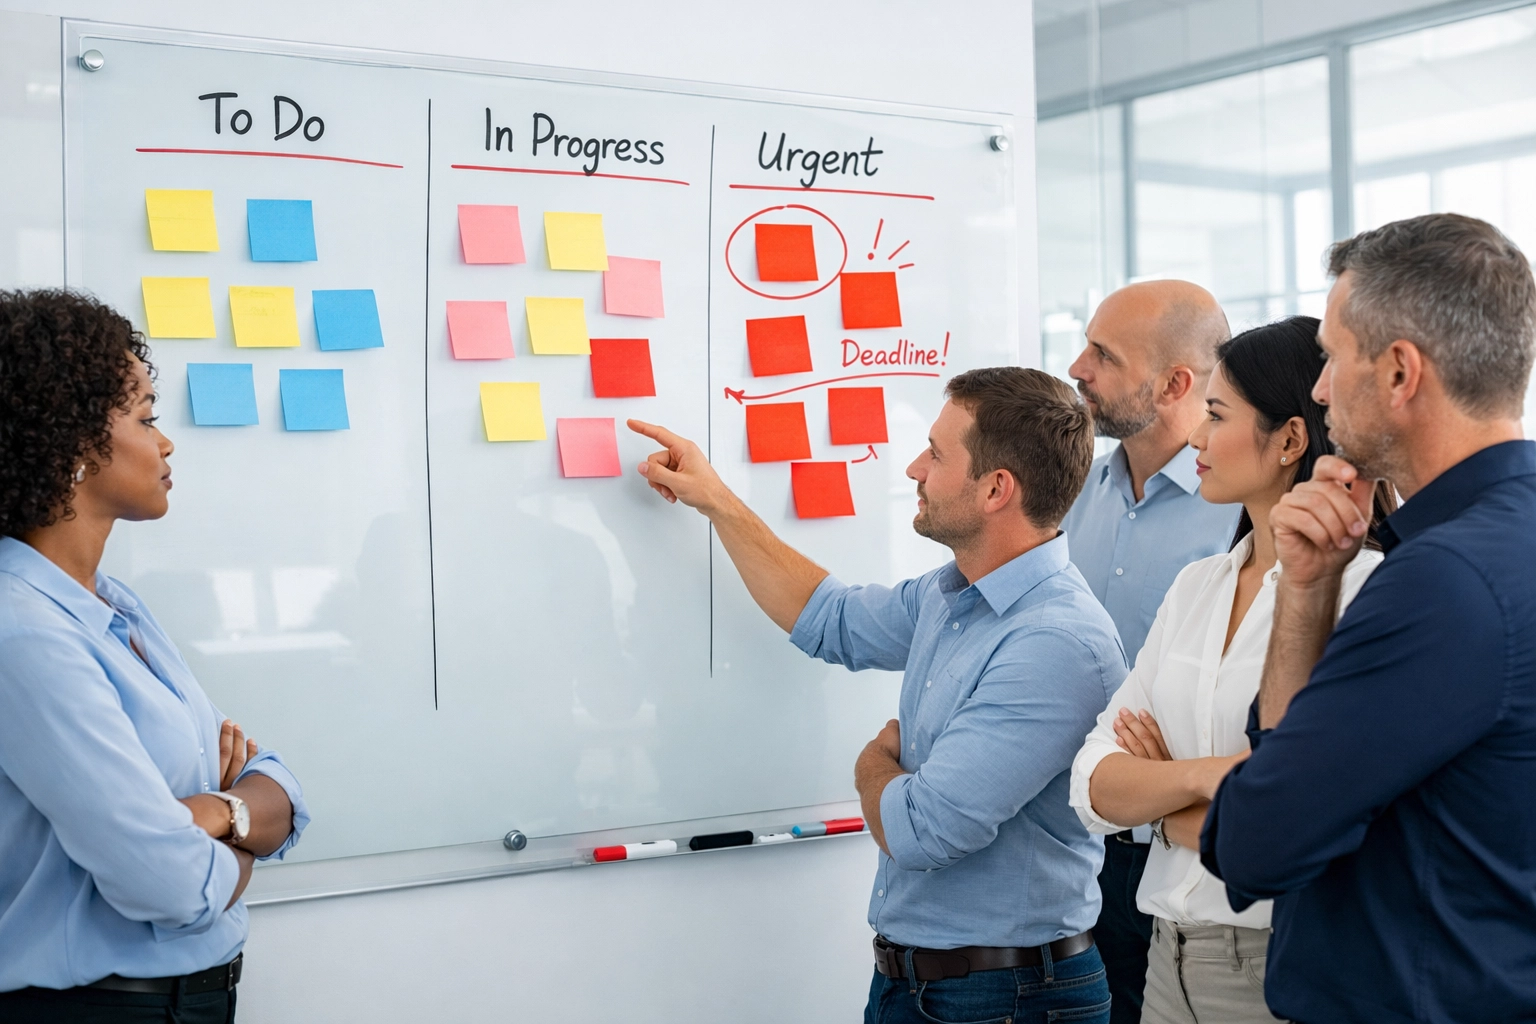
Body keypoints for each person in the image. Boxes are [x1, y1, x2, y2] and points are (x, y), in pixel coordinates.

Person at [628, 368, 1125, 1024]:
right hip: (923, 984)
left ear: (996, 490)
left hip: (1007, 998)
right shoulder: (952, 596)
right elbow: (828, 619)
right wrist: (718, 500)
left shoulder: (1055, 642)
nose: (915, 467)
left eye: (937, 454)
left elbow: (922, 831)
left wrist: (872, 767)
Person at [1200, 213, 1536, 1023]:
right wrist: (1309, 591)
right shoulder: (1503, 542)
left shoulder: (1443, 582)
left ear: (1397, 372)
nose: (1318, 389)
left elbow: (1254, 845)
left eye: (1330, 354)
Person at [1069, 316, 1392, 1024]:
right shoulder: (1199, 585)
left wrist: (1156, 807)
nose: (1194, 439)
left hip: (1279, 960)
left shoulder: (1367, 592)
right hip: (1165, 957)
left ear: (1289, 439)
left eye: (1216, 416)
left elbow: (1311, 815)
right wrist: (1202, 778)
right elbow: (1092, 781)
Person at [0, 290, 309, 1022]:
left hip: (190, 1001)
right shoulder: (25, 633)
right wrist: (239, 823)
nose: (166, 444)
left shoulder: (116, 605)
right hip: (91, 1010)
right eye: (145, 419)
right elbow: (171, 886)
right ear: (72, 443)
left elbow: (283, 790)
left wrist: (208, 811)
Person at [1060, 279, 1241, 1022]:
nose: (1077, 367)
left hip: (1177, 856)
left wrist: (1177, 764)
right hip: (1067, 834)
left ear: (1175, 383)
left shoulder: (1240, 509)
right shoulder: (1073, 490)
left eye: (1103, 354)